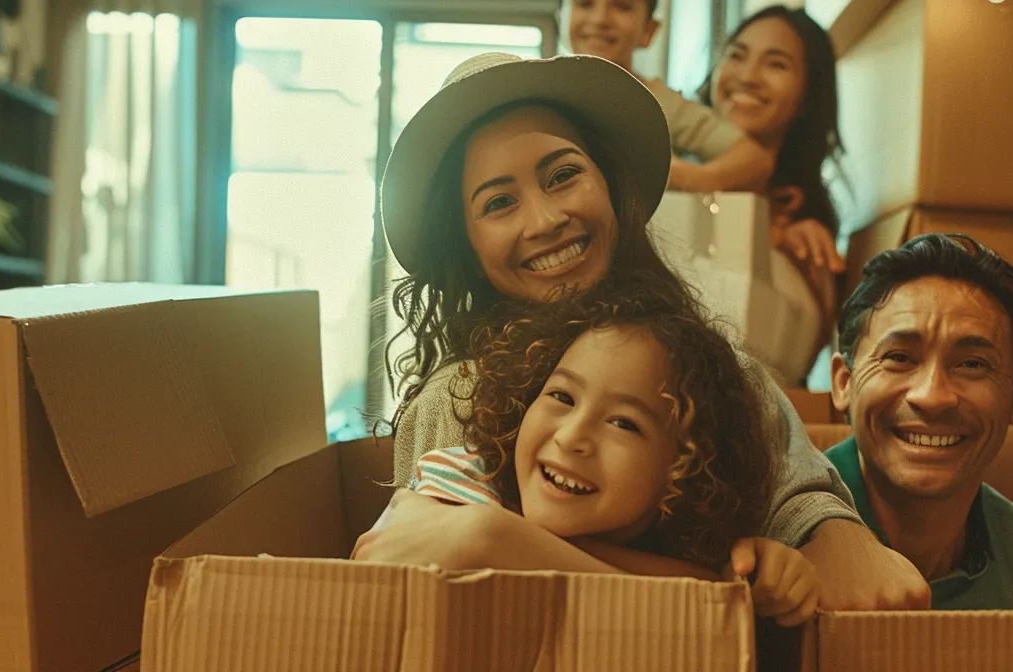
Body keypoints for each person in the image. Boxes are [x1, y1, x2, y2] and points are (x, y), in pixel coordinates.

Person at [352, 51, 930, 611]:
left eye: (563, 175)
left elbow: (798, 502)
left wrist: (833, 534)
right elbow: (440, 580)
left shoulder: (720, 371)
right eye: (499, 202)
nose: (546, 220)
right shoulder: (459, 398)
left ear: (611, 185)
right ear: (468, 248)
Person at [390, 280, 818, 625]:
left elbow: (713, 600)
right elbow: (424, 546)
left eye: (625, 424)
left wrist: (500, 538)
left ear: (685, 469)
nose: (573, 435)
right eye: (561, 395)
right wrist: (490, 533)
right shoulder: (465, 475)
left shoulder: (680, 547)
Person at [822, 233, 1013, 610]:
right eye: (900, 357)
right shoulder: (774, 542)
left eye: (972, 364)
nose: (933, 396)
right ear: (844, 382)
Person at [700, 7, 848, 379]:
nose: (748, 76)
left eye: (776, 64)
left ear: (807, 96)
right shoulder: (656, 177)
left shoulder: (805, 237)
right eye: (737, 54)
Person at [566, 0, 773, 193]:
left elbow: (754, 160)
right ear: (563, 16)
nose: (600, 19)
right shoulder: (540, 93)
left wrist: (680, 176)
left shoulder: (659, 102)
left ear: (649, 31)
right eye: (585, 4)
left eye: (622, 7)